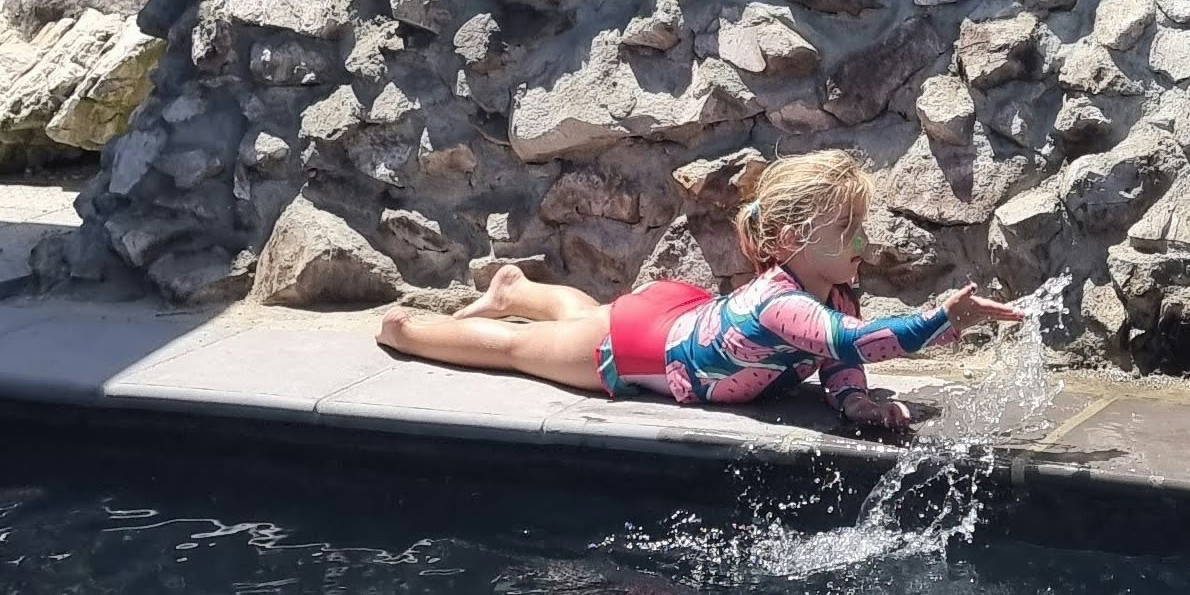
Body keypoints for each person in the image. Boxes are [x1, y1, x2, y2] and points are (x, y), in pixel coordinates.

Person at [375, 149, 1021, 439]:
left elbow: (838, 361)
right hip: (635, 347)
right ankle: (407, 331)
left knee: (582, 319)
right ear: (791, 240)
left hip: (676, 315)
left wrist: (854, 402)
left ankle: (515, 286)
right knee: (519, 352)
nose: (860, 242)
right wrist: (939, 318)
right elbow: (852, 343)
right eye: (846, 228)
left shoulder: (833, 290)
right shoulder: (781, 303)